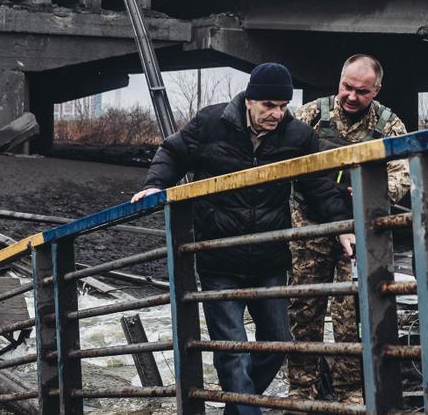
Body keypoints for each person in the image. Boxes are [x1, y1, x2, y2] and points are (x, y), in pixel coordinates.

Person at [131, 62, 354, 414]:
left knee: (278, 344)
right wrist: (155, 186)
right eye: (268, 105)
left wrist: (342, 224)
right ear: (249, 100)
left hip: (269, 259)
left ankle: (236, 408)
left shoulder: (296, 136)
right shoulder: (211, 123)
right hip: (218, 258)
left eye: (282, 106)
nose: (276, 114)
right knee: (232, 351)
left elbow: (320, 185)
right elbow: (173, 152)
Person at [288, 54, 411, 405]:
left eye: (362, 91)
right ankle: (301, 391)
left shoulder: (388, 123)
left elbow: (403, 172)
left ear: (377, 90)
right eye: (346, 87)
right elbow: (283, 156)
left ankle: (350, 393)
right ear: (339, 80)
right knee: (304, 311)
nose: (352, 97)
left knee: (351, 315)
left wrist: (371, 190)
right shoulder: (311, 115)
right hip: (308, 227)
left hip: (359, 232)